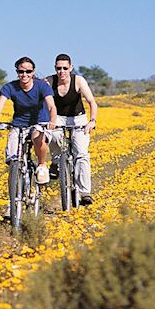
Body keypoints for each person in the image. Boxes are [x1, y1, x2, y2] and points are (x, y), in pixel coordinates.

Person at [0, 56, 57, 184]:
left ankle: (42, 165)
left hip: (40, 122)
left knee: (37, 137)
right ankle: (17, 177)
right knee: (12, 154)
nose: (25, 74)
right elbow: (0, 105)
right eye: (21, 71)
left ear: (33, 72)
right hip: (19, 124)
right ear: (17, 72)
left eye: (28, 71)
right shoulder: (10, 87)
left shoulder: (42, 86)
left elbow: (51, 106)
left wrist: (52, 121)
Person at [44, 54, 98, 205]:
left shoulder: (78, 81)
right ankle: (56, 162)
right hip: (57, 117)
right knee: (52, 135)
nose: (61, 71)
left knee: (81, 154)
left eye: (65, 68)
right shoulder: (49, 81)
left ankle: (85, 192)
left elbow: (91, 101)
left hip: (78, 118)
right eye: (58, 68)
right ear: (55, 68)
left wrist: (92, 121)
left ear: (71, 68)